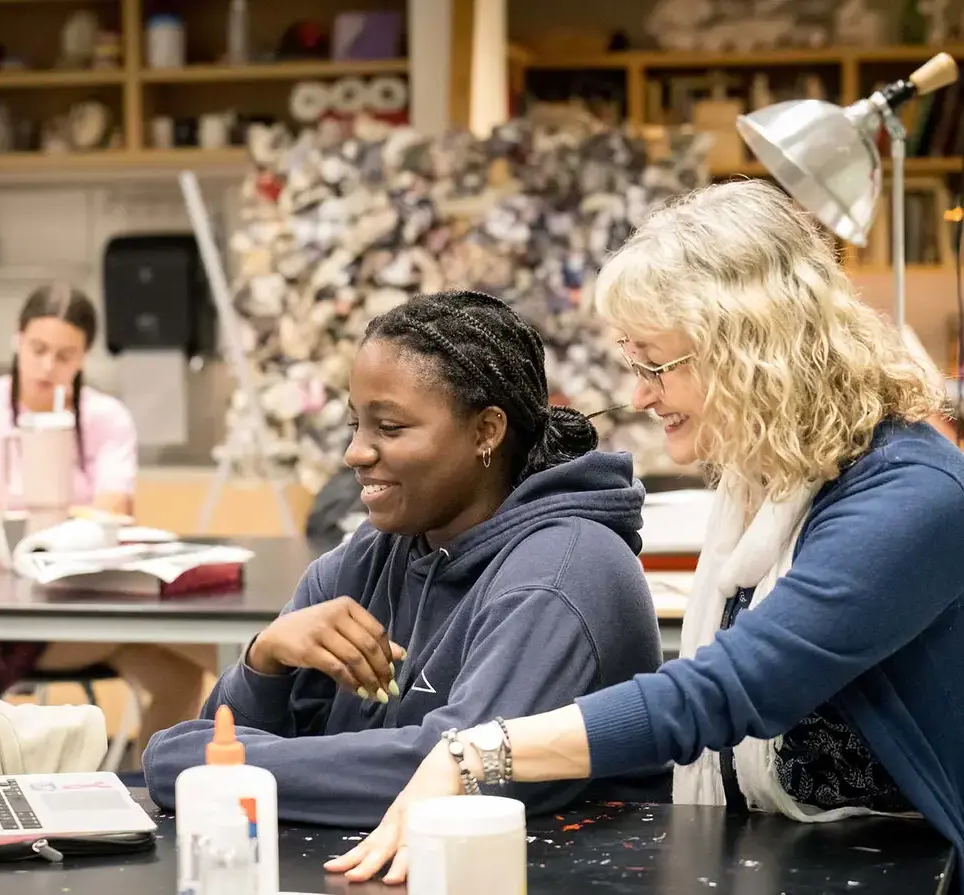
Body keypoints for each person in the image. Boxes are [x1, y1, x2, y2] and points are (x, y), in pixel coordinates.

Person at [327, 180, 964, 887]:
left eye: (655, 364)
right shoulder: (766, 478)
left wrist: (475, 752)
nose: (639, 395)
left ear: (750, 347)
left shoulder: (913, 495)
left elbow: (730, 690)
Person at [143, 289, 664, 823]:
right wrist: (265, 661)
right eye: (356, 426)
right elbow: (223, 750)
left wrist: (201, 768)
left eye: (389, 428)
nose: (356, 453)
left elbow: (460, 774)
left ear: (487, 431)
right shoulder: (362, 562)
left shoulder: (561, 574)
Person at [0, 282, 217, 754]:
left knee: (190, 669)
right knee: (216, 652)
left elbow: (116, 508)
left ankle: (149, 788)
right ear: (17, 339)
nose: (49, 367)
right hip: (18, 617)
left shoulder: (106, 417)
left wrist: (18, 514)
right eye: (38, 350)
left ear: (84, 357)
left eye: (65, 356)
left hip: (101, 600)